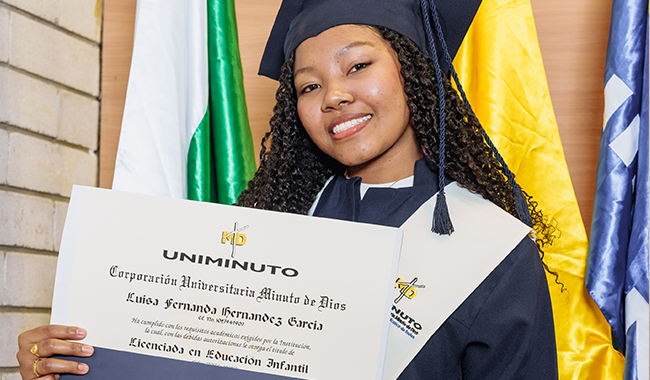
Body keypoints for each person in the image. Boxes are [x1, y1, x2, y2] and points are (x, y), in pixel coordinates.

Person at [17, 0, 559, 378]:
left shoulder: (491, 250)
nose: (334, 96)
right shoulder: (274, 224)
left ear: (412, 69)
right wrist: (73, 363)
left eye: (359, 65)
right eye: (308, 85)